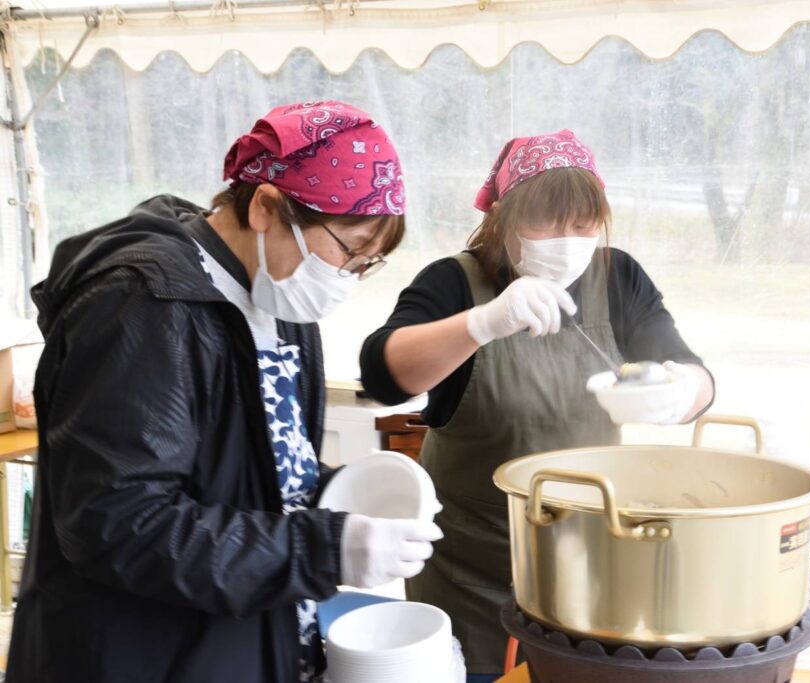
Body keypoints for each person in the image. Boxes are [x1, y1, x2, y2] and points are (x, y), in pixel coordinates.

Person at [7, 101, 442, 683]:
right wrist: (320, 549)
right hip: (145, 654)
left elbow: (250, 461)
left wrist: (352, 490)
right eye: (348, 249)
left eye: (369, 262)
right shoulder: (140, 304)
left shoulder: (276, 299)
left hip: (240, 636)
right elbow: (118, 523)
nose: (348, 275)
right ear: (265, 206)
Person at [359, 129, 715, 680]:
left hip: (590, 565)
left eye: (583, 224)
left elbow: (690, 369)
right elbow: (383, 372)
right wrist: (481, 323)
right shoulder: (454, 281)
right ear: (501, 216)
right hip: (472, 574)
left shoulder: (616, 276)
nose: (568, 240)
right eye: (546, 222)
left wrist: (681, 394)